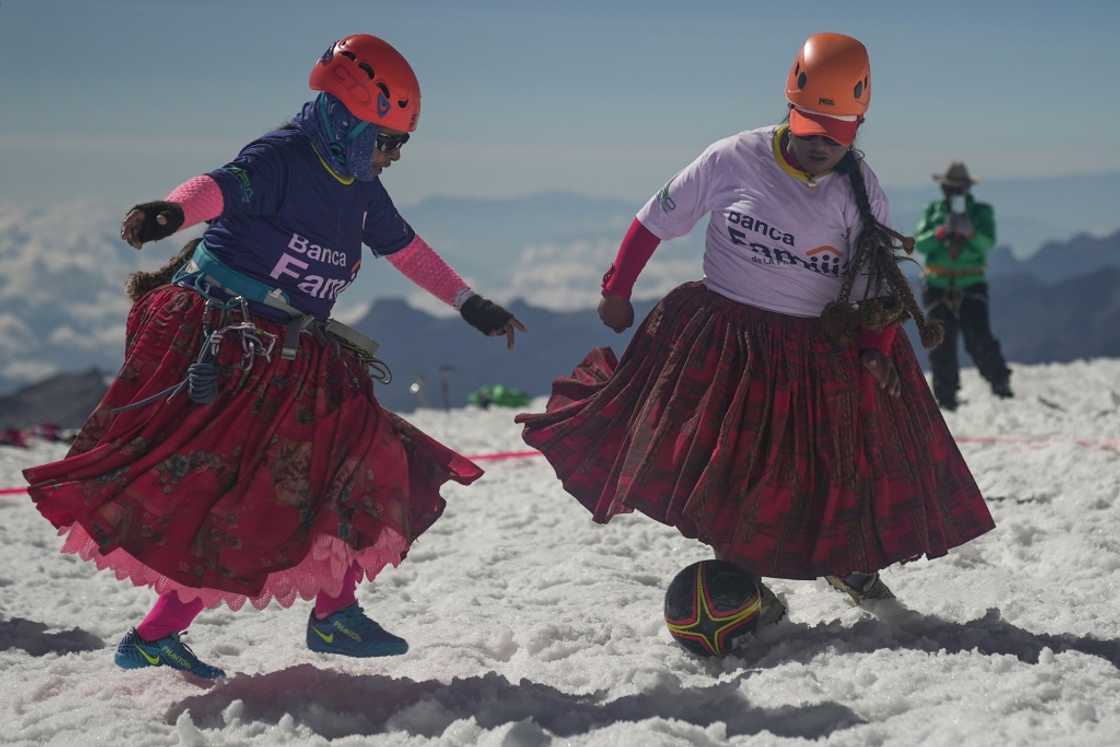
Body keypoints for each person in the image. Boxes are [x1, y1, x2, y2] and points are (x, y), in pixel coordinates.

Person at [23, 34, 525, 680]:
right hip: (225, 345)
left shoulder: (359, 185)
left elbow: (404, 248)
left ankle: (331, 610)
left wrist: (467, 301)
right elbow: (218, 189)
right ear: (347, 118)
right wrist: (170, 212)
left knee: (360, 453)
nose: (394, 155)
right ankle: (162, 634)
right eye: (387, 138)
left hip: (284, 351)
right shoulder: (285, 157)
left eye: (400, 142)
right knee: (239, 498)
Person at [517, 33, 994, 621]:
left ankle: (849, 564)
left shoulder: (860, 189)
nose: (824, 148)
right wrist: (616, 290)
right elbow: (653, 221)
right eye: (813, 131)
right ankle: (738, 585)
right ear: (790, 112)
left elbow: (876, 286)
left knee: (831, 463)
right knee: (732, 462)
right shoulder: (731, 158)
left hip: (820, 347)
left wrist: (873, 355)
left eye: (839, 137)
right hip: (728, 339)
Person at [914, 162, 1012, 410]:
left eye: (959, 187)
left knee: (978, 337)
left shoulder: (981, 213)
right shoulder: (932, 212)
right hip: (937, 283)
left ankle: (999, 380)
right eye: (950, 187)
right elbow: (920, 245)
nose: (954, 192)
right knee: (940, 342)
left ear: (967, 188)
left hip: (971, 283)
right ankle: (945, 394)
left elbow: (987, 243)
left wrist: (970, 234)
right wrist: (940, 233)